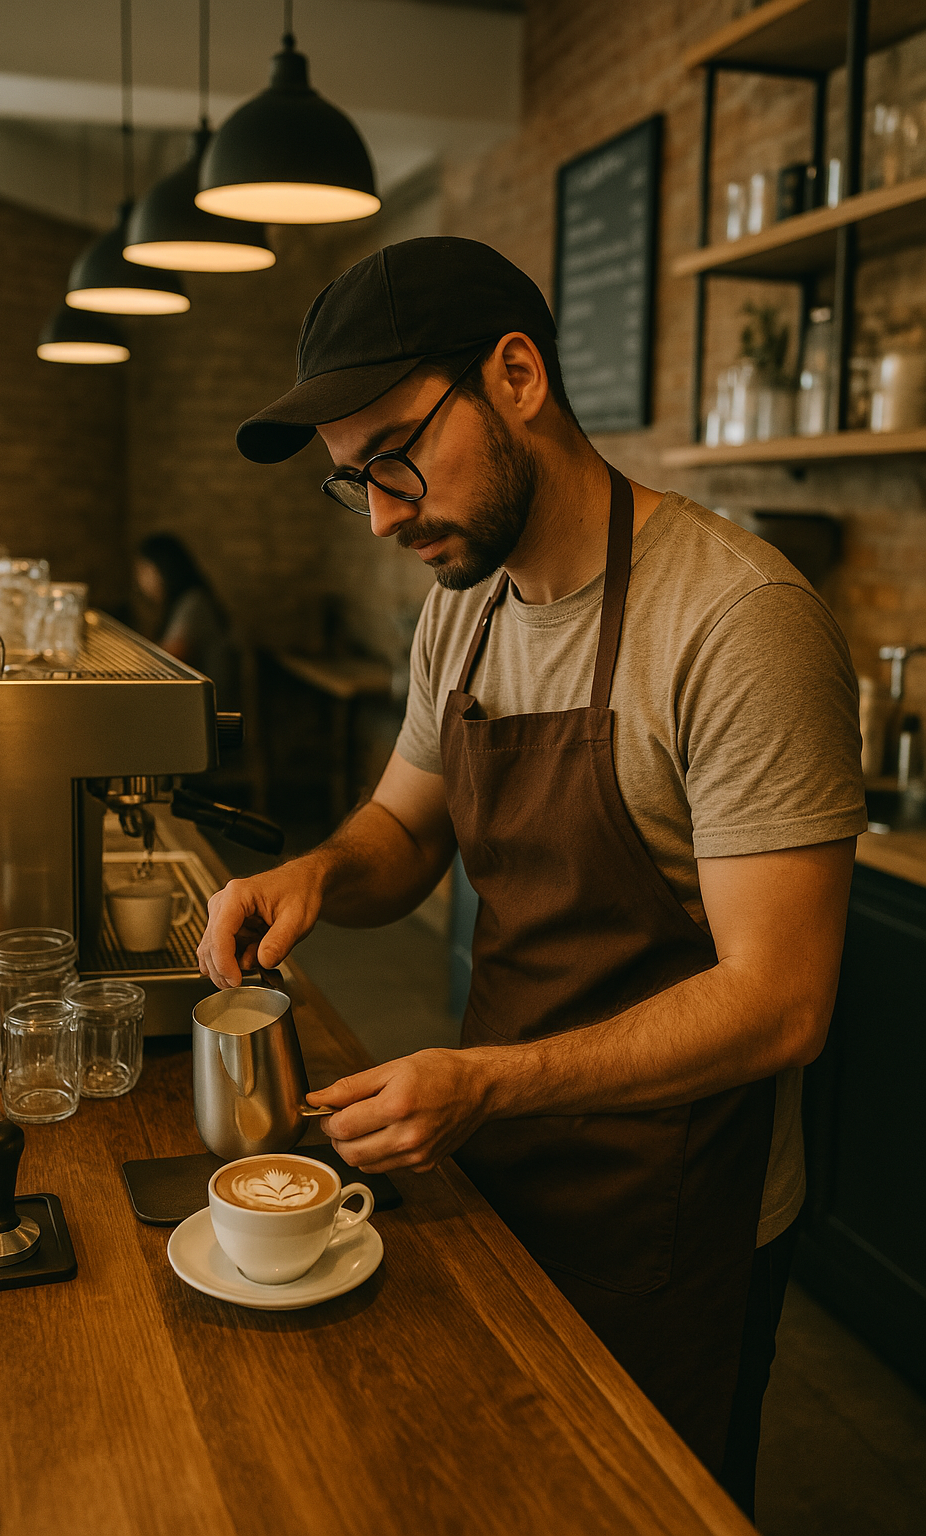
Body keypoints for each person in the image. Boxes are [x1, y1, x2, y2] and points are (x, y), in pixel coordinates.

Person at [197, 237, 866, 1513]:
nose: (382, 516)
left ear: (516, 376)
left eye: (396, 455)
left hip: (672, 1208)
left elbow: (782, 1002)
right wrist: (315, 876)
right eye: (353, 483)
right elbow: (404, 831)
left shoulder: (736, 622)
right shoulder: (466, 603)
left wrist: (491, 1081)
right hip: (492, 1159)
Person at [134, 532, 238, 706]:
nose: (140, 580)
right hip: (196, 701)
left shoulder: (194, 603)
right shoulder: (184, 602)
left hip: (210, 706)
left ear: (161, 569)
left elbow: (171, 659)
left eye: (143, 570)